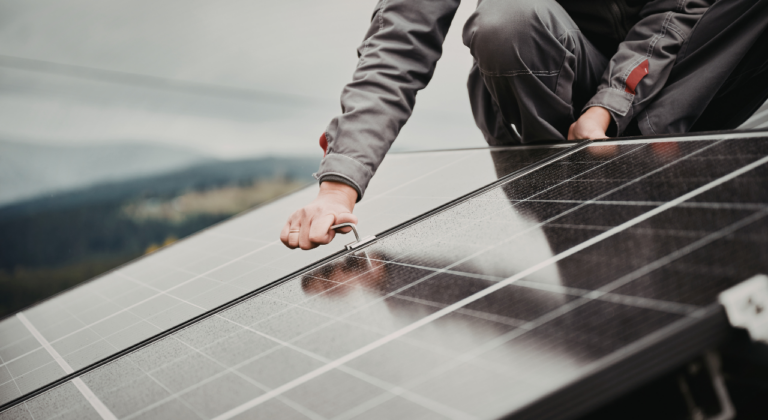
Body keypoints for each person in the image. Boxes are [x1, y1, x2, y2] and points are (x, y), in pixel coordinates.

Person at [281, 0, 768, 250]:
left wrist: (609, 107)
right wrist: (338, 186)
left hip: (684, 74)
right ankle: (571, 200)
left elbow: (678, 6)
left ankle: (645, 159)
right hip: (555, 90)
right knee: (507, 20)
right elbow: (395, 46)